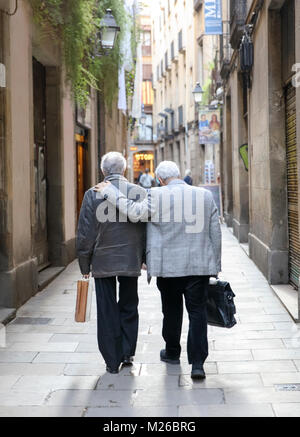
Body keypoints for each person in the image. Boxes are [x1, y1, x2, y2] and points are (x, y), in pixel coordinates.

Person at [94, 161, 222, 380]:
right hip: (198, 266)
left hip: (168, 266)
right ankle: (198, 364)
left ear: (160, 179)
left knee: (171, 311)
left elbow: (134, 213)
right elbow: (215, 234)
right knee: (197, 313)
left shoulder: (156, 195)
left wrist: (111, 192)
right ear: (179, 175)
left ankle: (172, 352)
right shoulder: (205, 196)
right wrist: (214, 266)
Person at [76, 152, 146, 374]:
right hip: (129, 259)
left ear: (103, 171)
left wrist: (84, 264)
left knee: (106, 309)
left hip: (102, 260)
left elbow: (85, 232)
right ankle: (127, 352)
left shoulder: (92, 194)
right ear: (124, 170)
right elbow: (146, 228)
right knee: (129, 304)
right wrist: (144, 257)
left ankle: (111, 359)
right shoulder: (139, 192)